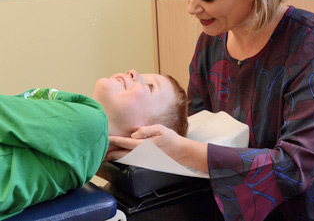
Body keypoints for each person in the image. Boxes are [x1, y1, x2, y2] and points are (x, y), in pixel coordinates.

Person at [106, 0, 314, 221]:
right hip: (234, 197)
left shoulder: (313, 43)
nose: (192, 7)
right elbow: (198, 127)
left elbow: (296, 167)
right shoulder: (213, 42)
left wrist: (179, 149)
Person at [0, 70, 187, 220]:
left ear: (144, 135)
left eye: (150, 87)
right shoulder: (85, 143)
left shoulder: (91, 123)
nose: (133, 72)